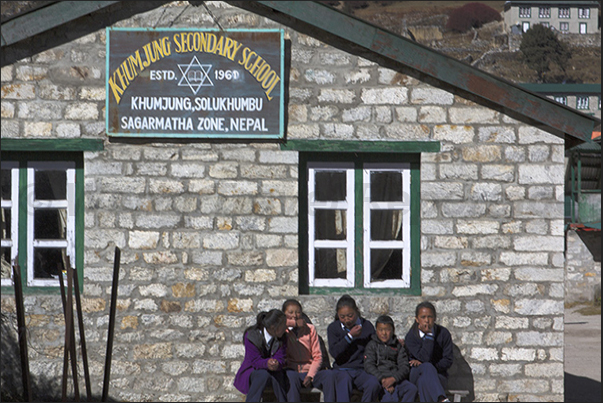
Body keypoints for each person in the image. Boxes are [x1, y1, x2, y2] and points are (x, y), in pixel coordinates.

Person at [327, 295, 381, 402]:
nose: (347, 320)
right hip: (342, 370)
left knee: (373, 383)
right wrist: (349, 337)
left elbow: (375, 347)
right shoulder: (333, 328)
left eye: (350, 316)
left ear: (356, 311)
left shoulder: (367, 326)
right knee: (344, 382)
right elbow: (335, 352)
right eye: (342, 317)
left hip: (361, 370)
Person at [281, 299, 337, 402]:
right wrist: (293, 324)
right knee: (290, 377)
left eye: (298, 312)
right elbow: (274, 323)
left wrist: (310, 375)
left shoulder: (310, 329)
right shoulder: (283, 330)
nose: (295, 315)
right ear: (284, 314)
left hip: (310, 370)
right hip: (293, 370)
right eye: (290, 312)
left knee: (329, 375)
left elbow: (318, 356)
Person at [234, 309, 288, 402]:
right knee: (262, 374)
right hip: (252, 370)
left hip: (274, 371)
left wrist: (276, 363)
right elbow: (254, 360)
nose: (285, 328)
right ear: (273, 327)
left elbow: (281, 357)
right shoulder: (251, 335)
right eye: (283, 325)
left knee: (278, 376)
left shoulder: (282, 337)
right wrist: (267, 363)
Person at [404, 301, 453, 403]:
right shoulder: (411, 336)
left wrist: (431, 366)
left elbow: (448, 360)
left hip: (438, 375)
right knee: (426, 368)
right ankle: (441, 399)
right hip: (416, 373)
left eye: (430, 317)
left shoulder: (443, 333)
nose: (427, 320)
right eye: (423, 317)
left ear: (434, 318)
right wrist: (430, 336)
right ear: (417, 319)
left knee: (424, 380)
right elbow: (424, 357)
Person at [364, 315, 418, 402]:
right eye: (381, 330)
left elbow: (404, 366)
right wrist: (383, 380)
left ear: (393, 330)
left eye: (387, 330)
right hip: (380, 380)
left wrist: (394, 379)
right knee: (389, 398)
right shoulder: (372, 345)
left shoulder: (398, 346)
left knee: (412, 389)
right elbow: (369, 365)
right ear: (376, 331)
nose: (384, 333)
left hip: (395, 379)